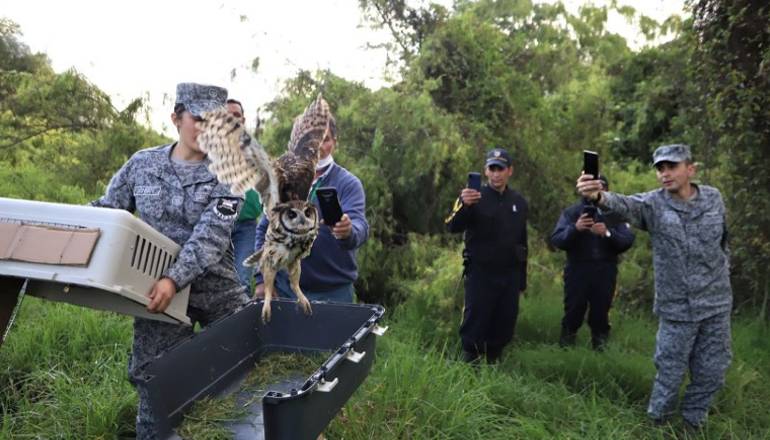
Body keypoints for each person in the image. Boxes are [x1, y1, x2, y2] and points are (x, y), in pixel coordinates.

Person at [91, 82, 249, 438]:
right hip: (156, 296)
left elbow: (210, 238)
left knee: (242, 377)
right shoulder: (142, 165)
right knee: (154, 382)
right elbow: (105, 211)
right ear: (176, 118)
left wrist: (174, 278)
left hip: (216, 297)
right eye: (199, 119)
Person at [576, 144, 732, 429]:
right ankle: (658, 425)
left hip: (716, 305)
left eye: (672, 166)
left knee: (712, 372)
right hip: (677, 309)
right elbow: (623, 203)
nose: (665, 173)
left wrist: (723, 275)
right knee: (670, 372)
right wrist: (597, 195)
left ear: (690, 169)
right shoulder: (652, 205)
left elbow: (724, 242)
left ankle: (692, 425)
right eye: (660, 168)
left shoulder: (713, 198)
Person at [253, 100, 368, 303]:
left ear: (335, 142)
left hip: (334, 290)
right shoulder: (288, 179)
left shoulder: (347, 183)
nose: (321, 147)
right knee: (284, 336)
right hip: (286, 286)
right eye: (317, 140)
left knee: (335, 336)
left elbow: (360, 226)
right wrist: (262, 279)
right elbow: (264, 228)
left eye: (326, 140)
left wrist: (348, 230)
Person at [445, 148, 528, 364]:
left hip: (509, 275)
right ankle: (468, 370)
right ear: (486, 171)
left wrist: (521, 282)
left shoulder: (519, 202)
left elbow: (522, 243)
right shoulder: (473, 197)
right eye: (492, 168)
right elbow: (452, 226)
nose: (496, 174)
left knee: (504, 324)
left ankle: (493, 367)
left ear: (510, 171)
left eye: (500, 169)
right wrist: (465, 205)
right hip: (481, 273)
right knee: (475, 324)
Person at [550, 175, 635, 351]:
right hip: (577, 269)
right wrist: (576, 229)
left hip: (605, 270)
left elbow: (627, 241)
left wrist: (607, 233)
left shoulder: (615, 214)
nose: (597, 191)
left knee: (600, 314)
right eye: (593, 187)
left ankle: (601, 352)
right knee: (573, 311)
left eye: (601, 187)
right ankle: (565, 351)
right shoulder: (572, 212)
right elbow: (557, 239)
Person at [226, 98, 263, 294]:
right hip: (218, 224)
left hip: (247, 225)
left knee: (241, 280)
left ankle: (238, 323)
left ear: (243, 119)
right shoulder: (209, 149)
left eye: (237, 115)